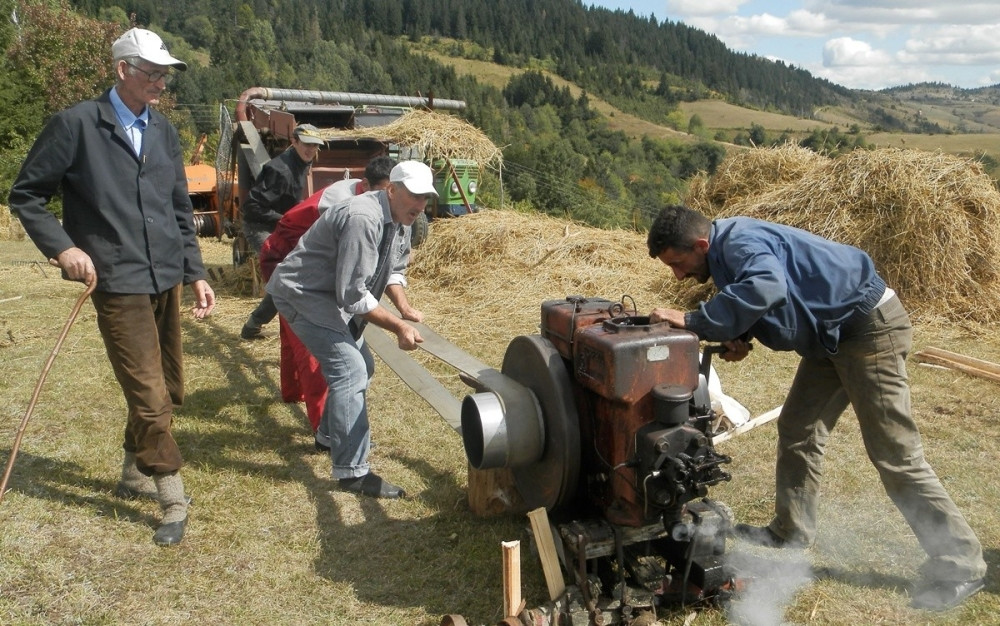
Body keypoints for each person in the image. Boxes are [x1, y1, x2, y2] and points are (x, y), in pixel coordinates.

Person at [645, 204, 987, 612]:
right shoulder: (725, 250)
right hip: (832, 336)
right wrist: (742, 330)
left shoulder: (740, 242)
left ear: (701, 244)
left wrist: (692, 319)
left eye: (679, 264)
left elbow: (766, 287)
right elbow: (782, 295)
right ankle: (791, 531)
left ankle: (961, 565)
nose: (678, 275)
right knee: (797, 429)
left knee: (896, 456)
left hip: (868, 330)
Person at [8, 28, 215, 547]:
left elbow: (177, 209)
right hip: (116, 280)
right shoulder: (76, 125)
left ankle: (130, 470)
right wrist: (64, 249)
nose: (160, 84)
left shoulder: (164, 131)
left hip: (164, 273)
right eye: (152, 74)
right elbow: (27, 195)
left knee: (164, 385)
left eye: (165, 75)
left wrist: (196, 273)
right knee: (148, 396)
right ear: (122, 70)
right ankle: (171, 495)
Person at [266, 160, 435, 499]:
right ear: (391, 190)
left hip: (328, 296)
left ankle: (328, 437)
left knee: (363, 367)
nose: (420, 205)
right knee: (350, 371)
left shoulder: (401, 219)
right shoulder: (364, 218)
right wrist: (397, 326)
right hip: (303, 294)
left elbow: (392, 270)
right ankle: (352, 473)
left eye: (425, 197)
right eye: (414, 195)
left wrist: (402, 306)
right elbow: (353, 294)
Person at [258, 156, 396, 443]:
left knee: (294, 330)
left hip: (306, 267)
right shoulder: (348, 207)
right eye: (384, 192)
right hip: (288, 256)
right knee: (312, 347)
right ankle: (323, 425)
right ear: (368, 185)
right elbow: (331, 258)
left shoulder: (369, 201)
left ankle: (292, 392)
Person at [239, 123, 324, 339]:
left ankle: (253, 325)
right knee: (283, 278)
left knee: (288, 277)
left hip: (283, 226)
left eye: (315, 145)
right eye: (306, 144)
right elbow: (252, 207)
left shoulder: (302, 163)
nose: (311, 150)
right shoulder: (280, 170)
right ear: (294, 142)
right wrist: (288, 219)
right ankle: (255, 325)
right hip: (261, 226)